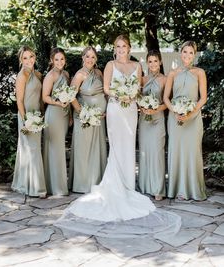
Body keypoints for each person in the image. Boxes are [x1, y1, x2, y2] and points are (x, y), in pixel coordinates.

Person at [54, 35, 181, 238]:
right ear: (115, 48)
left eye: (124, 46)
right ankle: (115, 184)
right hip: (114, 109)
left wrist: (132, 96)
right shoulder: (110, 65)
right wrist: (118, 94)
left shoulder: (137, 66)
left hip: (130, 110)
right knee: (116, 146)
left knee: (129, 146)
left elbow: (139, 89)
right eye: (118, 46)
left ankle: (128, 184)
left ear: (129, 48)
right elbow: (106, 88)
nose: (121, 49)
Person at [163, 41, 207, 201]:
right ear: (180, 53)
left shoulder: (199, 72)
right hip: (175, 119)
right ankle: (177, 189)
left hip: (193, 119)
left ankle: (194, 189)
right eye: (185, 52)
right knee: (176, 151)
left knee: (192, 152)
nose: (187, 55)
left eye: (190, 53)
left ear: (194, 55)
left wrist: (190, 112)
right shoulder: (172, 73)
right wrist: (175, 111)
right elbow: (165, 98)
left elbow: (203, 98)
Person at [68, 46, 107, 193]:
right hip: (84, 118)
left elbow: (105, 92)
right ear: (82, 58)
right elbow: (71, 96)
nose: (90, 59)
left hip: (99, 117)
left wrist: (107, 108)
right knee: (84, 150)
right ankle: (83, 184)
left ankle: (97, 181)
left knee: (97, 148)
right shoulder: (79, 75)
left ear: (96, 59)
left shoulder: (98, 73)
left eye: (93, 57)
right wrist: (84, 113)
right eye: (87, 56)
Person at [12, 46, 47, 198]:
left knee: (34, 149)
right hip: (26, 117)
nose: (29, 61)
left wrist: (41, 115)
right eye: (25, 58)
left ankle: (27, 182)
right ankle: (35, 188)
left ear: (35, 57)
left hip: (37, 116)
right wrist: (26, 120)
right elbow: (19, 101)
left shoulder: (37, 74)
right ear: (21, 60)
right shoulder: (22, 77)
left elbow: (40, 97)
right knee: (31, 150)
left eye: (31, 57)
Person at [138, 50, 167, 201]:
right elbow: (137, 97)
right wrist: (142, 107)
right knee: (144, 152)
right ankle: (144, 186)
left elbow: (168, 102)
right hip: (144, 120)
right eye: (150, 61)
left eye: (156, 61)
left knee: (157, 153)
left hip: (157, 120)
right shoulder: (142, 79)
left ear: (160, 62)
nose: (153, 64)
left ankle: (158, 188)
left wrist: (156, 108)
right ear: (147, 63)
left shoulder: (165, 79)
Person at [42, 47, 70, 196]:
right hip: (54, 114)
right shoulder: (50, 76)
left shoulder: (66, 74)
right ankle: (56, 187)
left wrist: (70, 115)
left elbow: (70, 95)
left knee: (60, 148)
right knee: (55, 149)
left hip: (64, 115)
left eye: (62, 59)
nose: (60, 62)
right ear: (52, 61)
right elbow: (45, 97)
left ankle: (59, 184)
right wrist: (59, 103)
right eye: (56, 59)